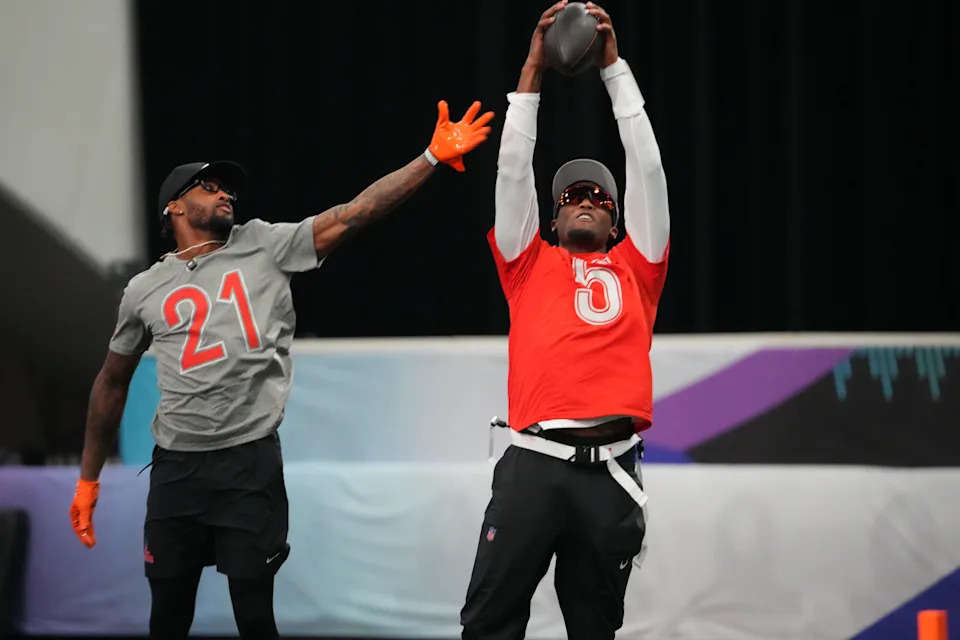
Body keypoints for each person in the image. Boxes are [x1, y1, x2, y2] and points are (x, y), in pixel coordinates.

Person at [69, 100, 494, 640]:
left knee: (255, 616)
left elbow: (354, 213)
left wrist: (430, 158)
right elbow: (111, 382)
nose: (226, 192)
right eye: (209, 185)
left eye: (228, 186)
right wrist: (87, 479)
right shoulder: (144, 289)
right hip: (176, 468)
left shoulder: (265, 243)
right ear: (174, 207)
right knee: (168, 616)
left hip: (248, 461)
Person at [460, 2, 670, 638]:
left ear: (618, 221)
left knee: (595, 628)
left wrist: (615, 71)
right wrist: (532, 69)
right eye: (572, 197)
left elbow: (651, 168)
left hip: (610, 470)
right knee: (490, 623)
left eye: (601, 199)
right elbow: (511, 169)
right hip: (534, 464)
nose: (585, 202)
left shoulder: (641, 266)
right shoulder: (527, 263)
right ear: (552, 219)